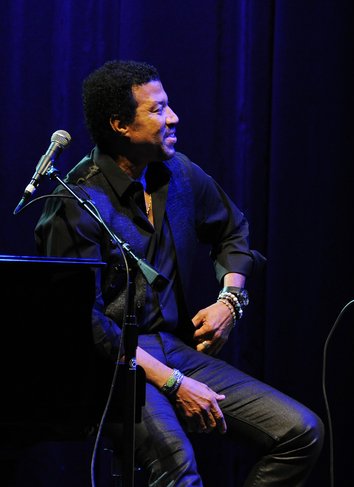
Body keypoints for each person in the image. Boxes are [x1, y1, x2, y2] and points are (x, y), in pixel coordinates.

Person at [34, 60, 323, 486]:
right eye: (157, 110)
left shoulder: (179, 172)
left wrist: (230, 300)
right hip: (112, 365)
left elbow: (232, 230)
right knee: (176, 467)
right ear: (120, 125)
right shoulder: (76, 201)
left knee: (300, 432)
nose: (173, 117)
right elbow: (85, 323)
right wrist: (173, 382)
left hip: (174, 346)